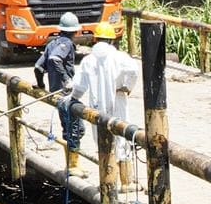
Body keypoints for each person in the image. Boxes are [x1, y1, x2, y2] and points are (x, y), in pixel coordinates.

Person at [60, 21, 141, 153]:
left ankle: (106, 169)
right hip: (117, 101)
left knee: (102, 143)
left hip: (97, 107)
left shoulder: (88, 60)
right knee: (122, 139)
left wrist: (72, 99)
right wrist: (126, 86)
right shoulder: (120, 57)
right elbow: (133, 71)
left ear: (95, 40)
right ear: (111, 40)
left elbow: (79, 87)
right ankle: (123, 171)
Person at [34, 12, 81, 142]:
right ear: (75, 31)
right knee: (76, 129)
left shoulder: (51, 44)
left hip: (56, 91)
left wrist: (40, 85)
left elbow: (38, 67)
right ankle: (72, 158)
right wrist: (66, 79)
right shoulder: (66, 43)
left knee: (67, 126)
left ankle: (69, 154)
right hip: (65, 92)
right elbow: (55, 59)